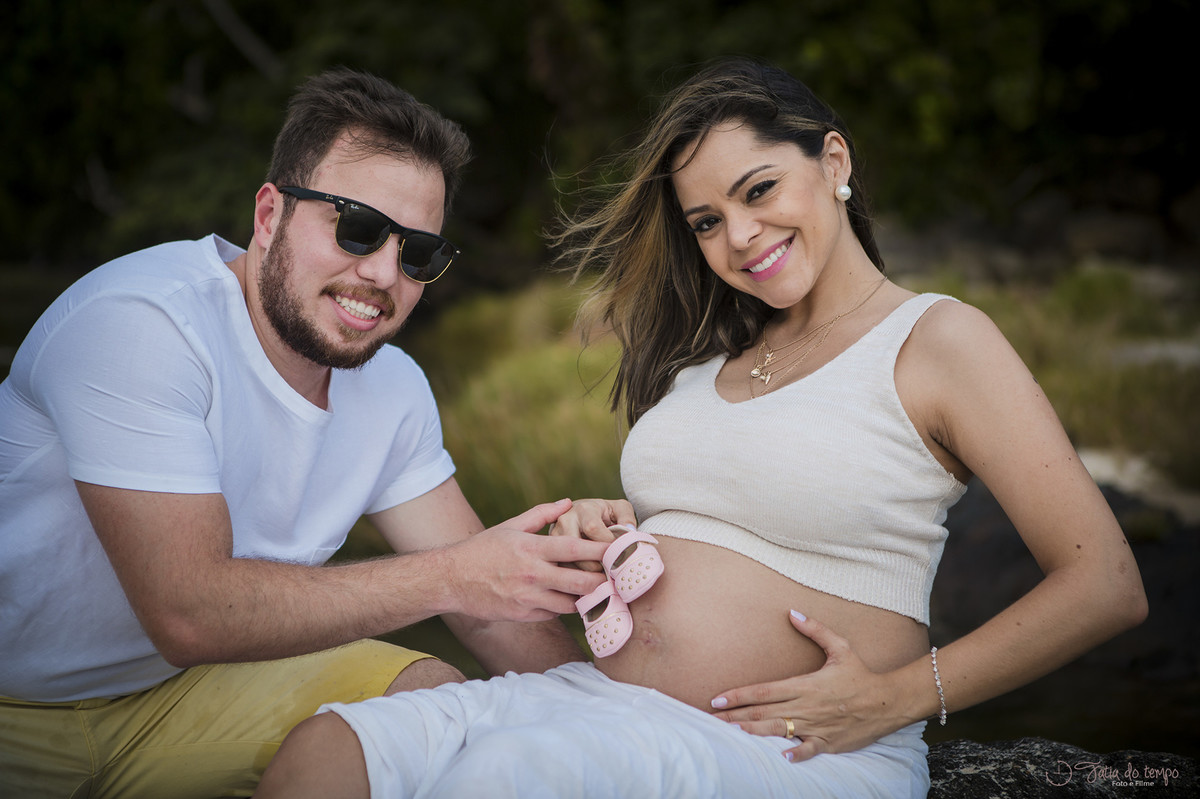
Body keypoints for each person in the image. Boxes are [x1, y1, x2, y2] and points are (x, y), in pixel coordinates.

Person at [253, 58, 1148, 798]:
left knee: (505, 776)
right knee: (328, 753)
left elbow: (1104, 580)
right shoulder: (706, 362)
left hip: (797, 749)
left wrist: (900, 698)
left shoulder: (937, 339)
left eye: (761, 190)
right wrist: (606, 527)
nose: (741, 236)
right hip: (597, 701)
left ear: (834, 162)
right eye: (708, 221)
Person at [0, 68, 611, 798]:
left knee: (430, 705)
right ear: (269, 215)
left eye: (418, 253)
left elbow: (490, 610)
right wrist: (457, 575)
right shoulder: (141, 324)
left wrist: (618, 717)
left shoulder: (393, 389)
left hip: (181, 696)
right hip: (14, 705)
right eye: (357, 227)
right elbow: (187, 611)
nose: (384, 273)